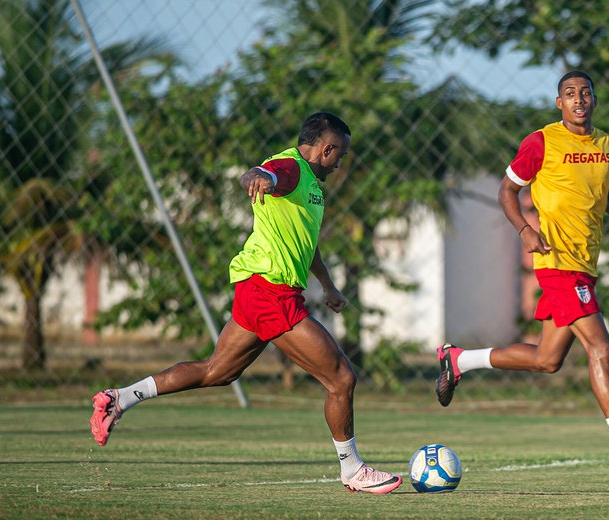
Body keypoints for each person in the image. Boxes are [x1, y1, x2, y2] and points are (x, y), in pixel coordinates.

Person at [90, 112, 402, 494]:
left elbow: (308, 243)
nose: (339, 164)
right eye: (340, 156)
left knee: (216, 372)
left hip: (258, 289)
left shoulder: (311, 188)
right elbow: (266, 172)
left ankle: (119, 398)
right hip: (271, 292)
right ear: (327, 148)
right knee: (341, 378)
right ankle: (352, 469)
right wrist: (257, 177)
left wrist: (328, 285)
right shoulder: (291, 167)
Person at [435, 71, 609, 481]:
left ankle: (458, 359)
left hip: (585, 264)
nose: (579, 99)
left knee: (547, 360)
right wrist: (526, 230)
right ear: (559, 103)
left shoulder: (606, 144)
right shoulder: (541, 141)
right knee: (601, 349)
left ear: (595, 99)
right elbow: (506, 191)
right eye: (570, 93)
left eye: (585, 92)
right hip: (557, 262)